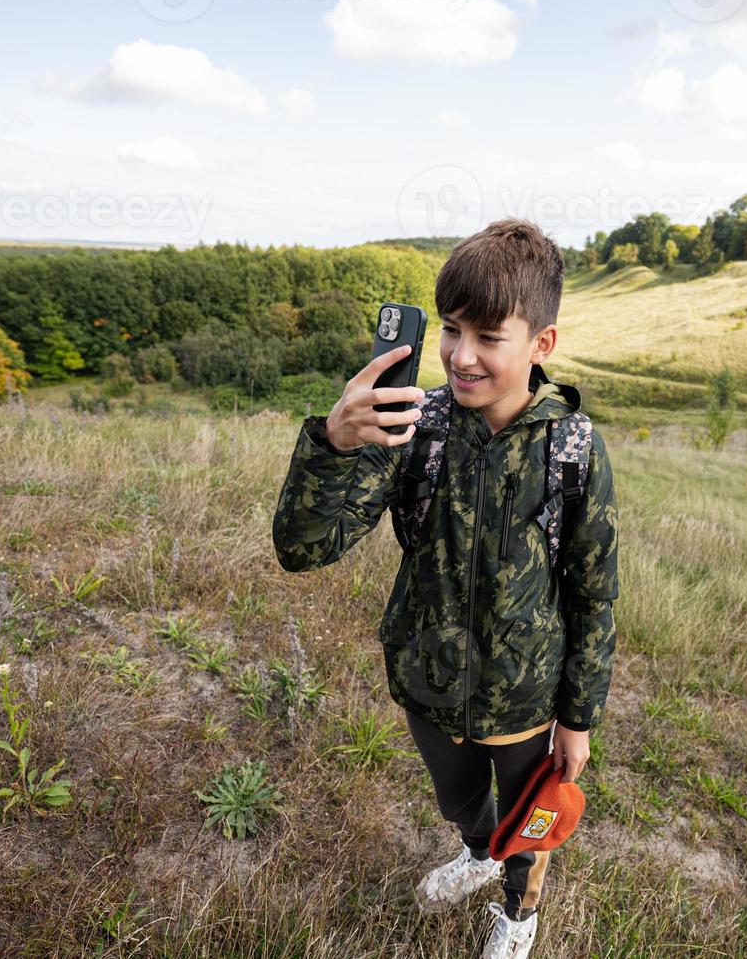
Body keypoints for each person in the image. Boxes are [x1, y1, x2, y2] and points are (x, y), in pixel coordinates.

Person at [272, 218, 619, 958]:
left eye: (489, 337)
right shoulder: (414, 428)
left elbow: (593, 596)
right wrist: (333, 447)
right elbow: (303, 550)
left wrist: (578, 718)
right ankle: (476, 852)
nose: (461, 357)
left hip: (525, 702)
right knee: (463, 804)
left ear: (541, 344)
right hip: (428, 683)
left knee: (528, 825)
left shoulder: (573, 451)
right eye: (452, 330)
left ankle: (518, 919)